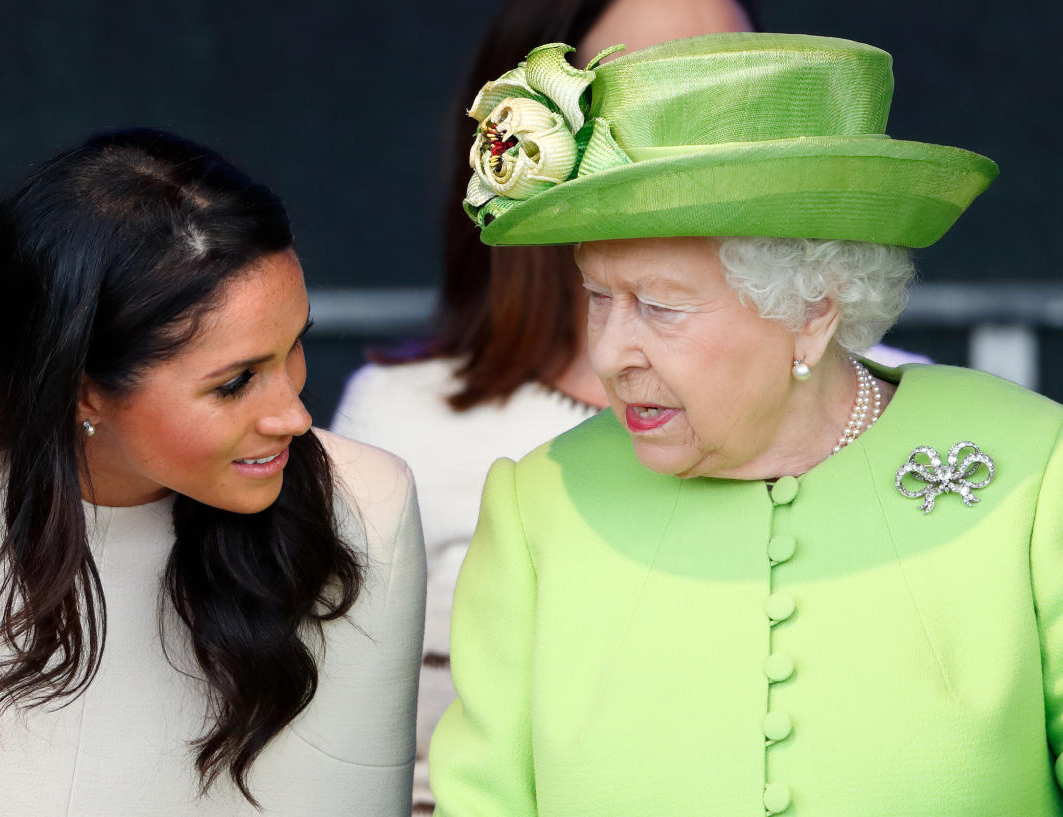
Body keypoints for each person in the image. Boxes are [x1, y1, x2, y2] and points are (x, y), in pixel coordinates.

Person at [428, 32, 1063, 816]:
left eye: (660, 307)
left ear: (812, 309)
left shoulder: (1035, 468)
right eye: (598, 297)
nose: (611, 350)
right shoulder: (540, 505)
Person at [332, 0, 913, 810]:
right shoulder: (404, 419)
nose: (697, 113)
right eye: (647, 85)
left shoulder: (904, 405)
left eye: (731, 77)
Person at [0, 129, 425, 816]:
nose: (293, 414)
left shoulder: (363, 507)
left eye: (294, 349)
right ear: (82, 388)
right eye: (235, 382)